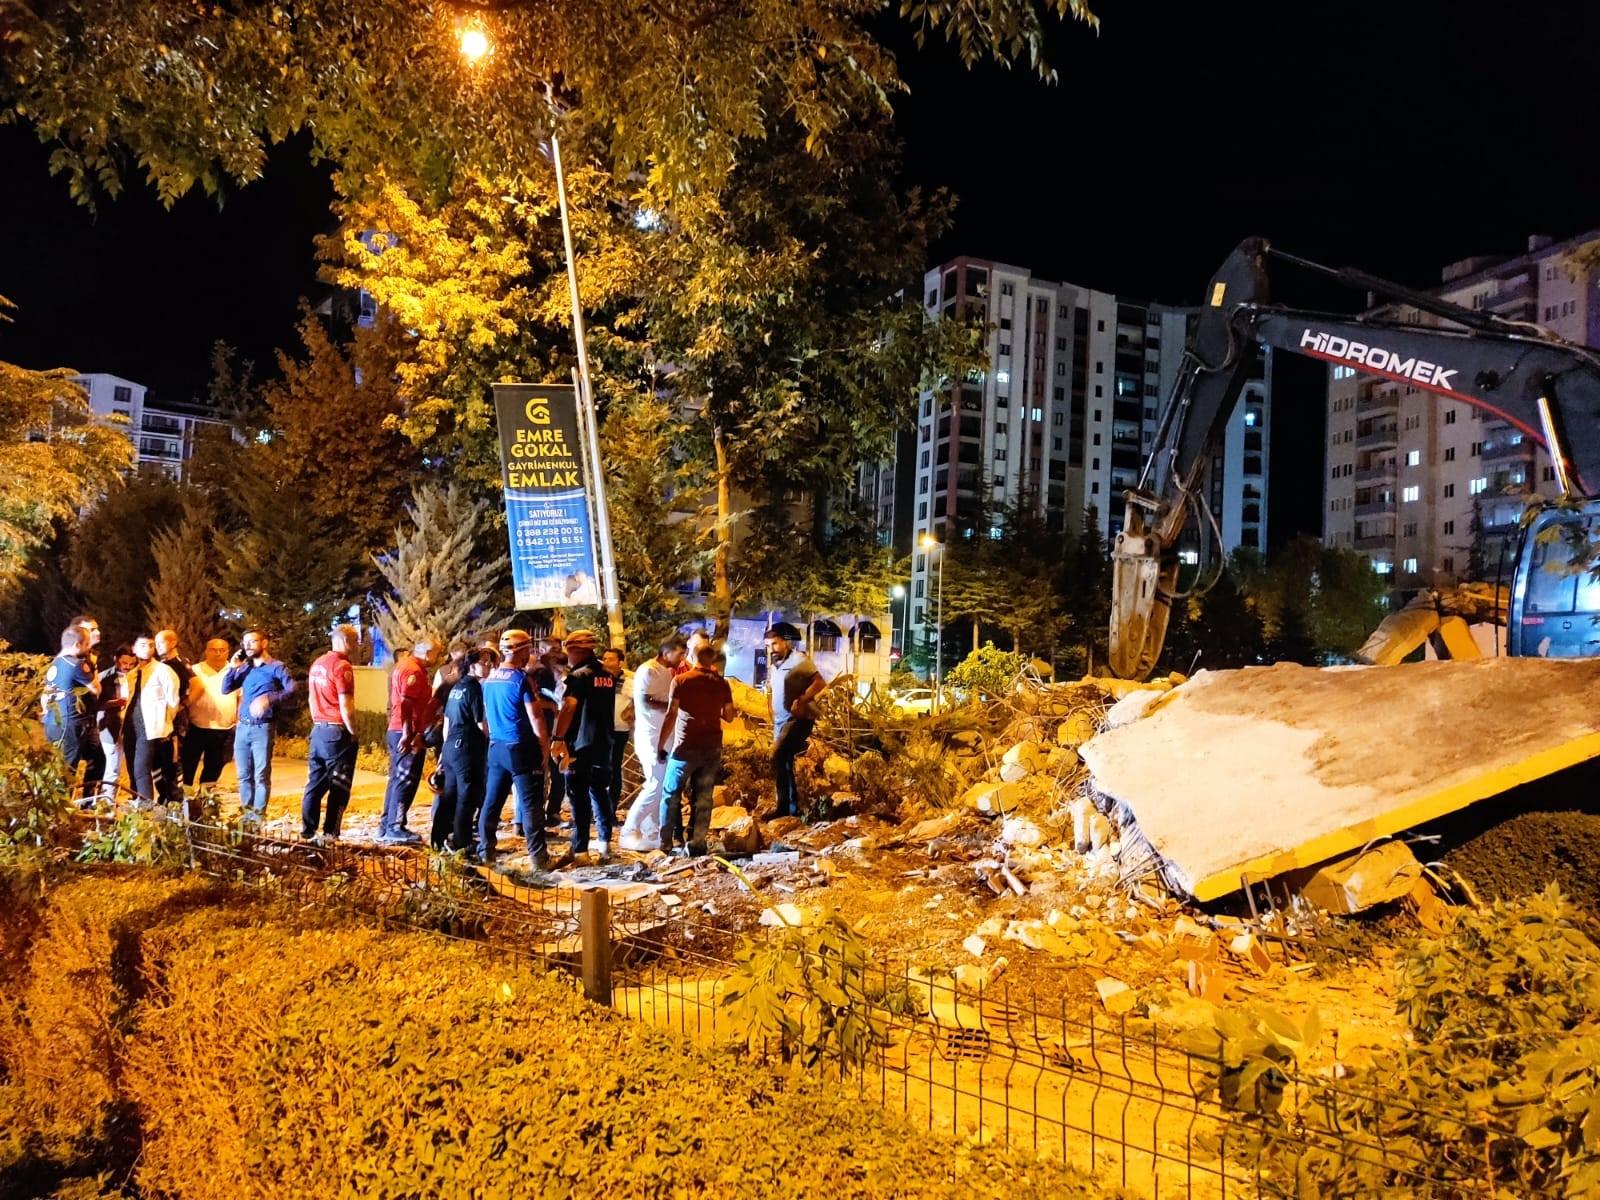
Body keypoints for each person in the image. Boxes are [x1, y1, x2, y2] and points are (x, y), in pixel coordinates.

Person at [478, 630, 552, 868]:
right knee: (531, 804)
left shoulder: (490, 679)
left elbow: (486, 718)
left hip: (496, 747)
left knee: (492, 802)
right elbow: (536, 717)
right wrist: (545, 747)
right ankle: (539, 858)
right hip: (521, 747)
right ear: (521, 651)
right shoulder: (522, 679)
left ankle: (486, 851)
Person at [656, 641, 735, 856]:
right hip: (711, 748)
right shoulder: (722, 684)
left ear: (692, 656)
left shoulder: (681, 681)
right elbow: (729, 715)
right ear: (712, 659)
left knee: (671, 794)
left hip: (685, 747)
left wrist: (661, 745)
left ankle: (665, 843)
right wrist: (710, 712)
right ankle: (697, 842)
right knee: (703, 797)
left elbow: (671, 714)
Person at [551, 629, 616, 861]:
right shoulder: (607, 675)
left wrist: (558, 738)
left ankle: (580, 850)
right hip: (604, 741)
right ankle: (605, 845)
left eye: (569, 650)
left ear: (577, 650)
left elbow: (569, 707)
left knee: (578, 795)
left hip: (581, 744)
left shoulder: (579, 676)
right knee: (599, 791)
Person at [617, 633, 685, 852]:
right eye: (680, 653)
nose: (682, 657)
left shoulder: (664, 671)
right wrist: (673, 706)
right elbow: (647, 699)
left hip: (662, 736)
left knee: (659, 785)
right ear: (667, 653)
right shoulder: (649, 670)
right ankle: (629, 829)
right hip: (652, 737)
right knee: (655, 786)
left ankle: (651, 832)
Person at [222, 630, 295, 826]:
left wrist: (269, 699)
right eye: (245, 642)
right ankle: (247, 816)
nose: (248, 646)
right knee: (243, 775)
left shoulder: (276, 667)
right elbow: (225, 689)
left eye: (252, 641)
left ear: (264, 642)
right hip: (242, 728)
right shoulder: (245, 668)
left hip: (262, 728)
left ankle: (258, 817)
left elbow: (292, 689)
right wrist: (232, 668)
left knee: (261, 774)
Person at [302, 625, 359, 842]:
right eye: (355, 641)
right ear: (346, 641)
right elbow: (347, 704)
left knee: (315, 782)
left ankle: (307, 832)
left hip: (319, 729)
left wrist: (318, 721)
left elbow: (310, 698)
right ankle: (330, 833)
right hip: (337, 731)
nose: (357, 646)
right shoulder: (342, 666)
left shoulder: (318, 664)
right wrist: (353, 731)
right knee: (339, 785)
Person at [380, 638, 440, 844]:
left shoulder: (405, 666)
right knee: (405, 779)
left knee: (397, 778)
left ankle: (387, 824)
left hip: (398, 730)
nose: (438, 658)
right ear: (427, 652)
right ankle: (395, 827)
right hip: (406, 732)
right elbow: (406, 703)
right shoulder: (413, 670)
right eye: (437, 654)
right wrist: (409, 734)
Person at [764, 622, 825, 820]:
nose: (771, 649)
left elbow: (819, 682)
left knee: (778, 756)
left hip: (797, 719)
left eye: (774, 644)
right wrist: (771, 709)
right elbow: (772, 690)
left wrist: (802, 699)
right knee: (785, 762)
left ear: (784, 643)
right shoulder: (775, 666)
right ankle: (792, 808)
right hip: (780, 722)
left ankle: (784, 808)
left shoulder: (799, 660)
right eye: (768, 645)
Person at [437, 648, 493, 853]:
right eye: (484, 662)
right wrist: (492, 738)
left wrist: (444, 752)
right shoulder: (474, 688)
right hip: (467, 747)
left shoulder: (456, 686)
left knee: (449, 795)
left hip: (452, 745)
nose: (489, 666)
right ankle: (462, 842)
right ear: (472, 665)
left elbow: (447, 720)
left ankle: (439, 838)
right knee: (467, 797)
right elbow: (481, 724)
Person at [40, 626, 98, 796]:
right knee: (67, 770)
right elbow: (96, 689)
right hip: (70, 723)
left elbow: (45, 695)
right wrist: (91, 667)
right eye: (87, 644)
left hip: (53, 722)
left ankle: (79, 802)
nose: (89, 648)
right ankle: (61, 811)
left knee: (94, 758)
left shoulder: (55, 663)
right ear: (78, 644)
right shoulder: (76, 665)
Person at [125, 633, 181, 807]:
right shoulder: (132, 673)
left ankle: (146, 806)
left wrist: (165, 725)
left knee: (142, 768)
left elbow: (173, 702)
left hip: (150, 728)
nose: (148, 649)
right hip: (130, 726)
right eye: (142, 645)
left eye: (151, 645)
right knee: (132, 768)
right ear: (134, 649)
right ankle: (139, 802)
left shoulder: (163, 671)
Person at [182, 637, 239, 789]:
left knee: (214, 768)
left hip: (224, 729)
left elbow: (241, 697)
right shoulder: (195, 670)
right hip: (196, 727)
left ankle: (206, 801)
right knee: (188, 766)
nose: (218, 653)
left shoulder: (235, 671)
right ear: (206, 651)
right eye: (214, 650)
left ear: (228, 652)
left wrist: (237, 721)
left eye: (222, 650)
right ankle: (184, 802)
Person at [530, 640, 568, 831]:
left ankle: (552, 812)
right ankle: (534, 817)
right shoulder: (539, 674)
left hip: (556, 731)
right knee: (539, 775)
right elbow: (533, 700)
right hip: (543, 731)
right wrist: (551, 705)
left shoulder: (560, 678)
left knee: (558, 773)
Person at [154, 629, 194, 807]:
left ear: (172, 643)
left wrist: (182, 706)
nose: (157, 647)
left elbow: (197, 686)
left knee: (173, 762)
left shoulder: (178, 663)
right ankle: (164, 797)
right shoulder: (162, 664)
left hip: (176, 724)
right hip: (162, 721)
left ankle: (176, 801)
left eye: (160, 643)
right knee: (159, 761)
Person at [71, 615, 108, 795]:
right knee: (70, 765)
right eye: (92, 629)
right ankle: (61, 810)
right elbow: (95, 689)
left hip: (89, 720)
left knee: (98, 760)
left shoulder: (90, 657)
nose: (97, 632)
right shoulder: (74, 657)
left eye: (97, 628)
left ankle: (87, 803)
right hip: (74, 722)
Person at [94, 645, 135, 805]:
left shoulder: (135, 676)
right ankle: (107, 802)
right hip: (110, 726)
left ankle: (132, 798)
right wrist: (113, 704)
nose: (127, 667)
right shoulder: (105, 677)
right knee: (112, 766)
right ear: (116, 660)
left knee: (132, 767)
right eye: (124, 663)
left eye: (131, 663)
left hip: (130, 726)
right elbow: (96, 704)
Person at [600, 645, 634, 813]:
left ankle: (611, 808)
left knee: (614, 769)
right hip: (599, 730)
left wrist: (631, 712)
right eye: (605, 658)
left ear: (620, 662)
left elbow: (639, 701)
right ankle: (598, 808)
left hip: (618, 731)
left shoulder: (628, 683)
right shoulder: (598, 680)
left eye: (611, 659)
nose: (606, 662)